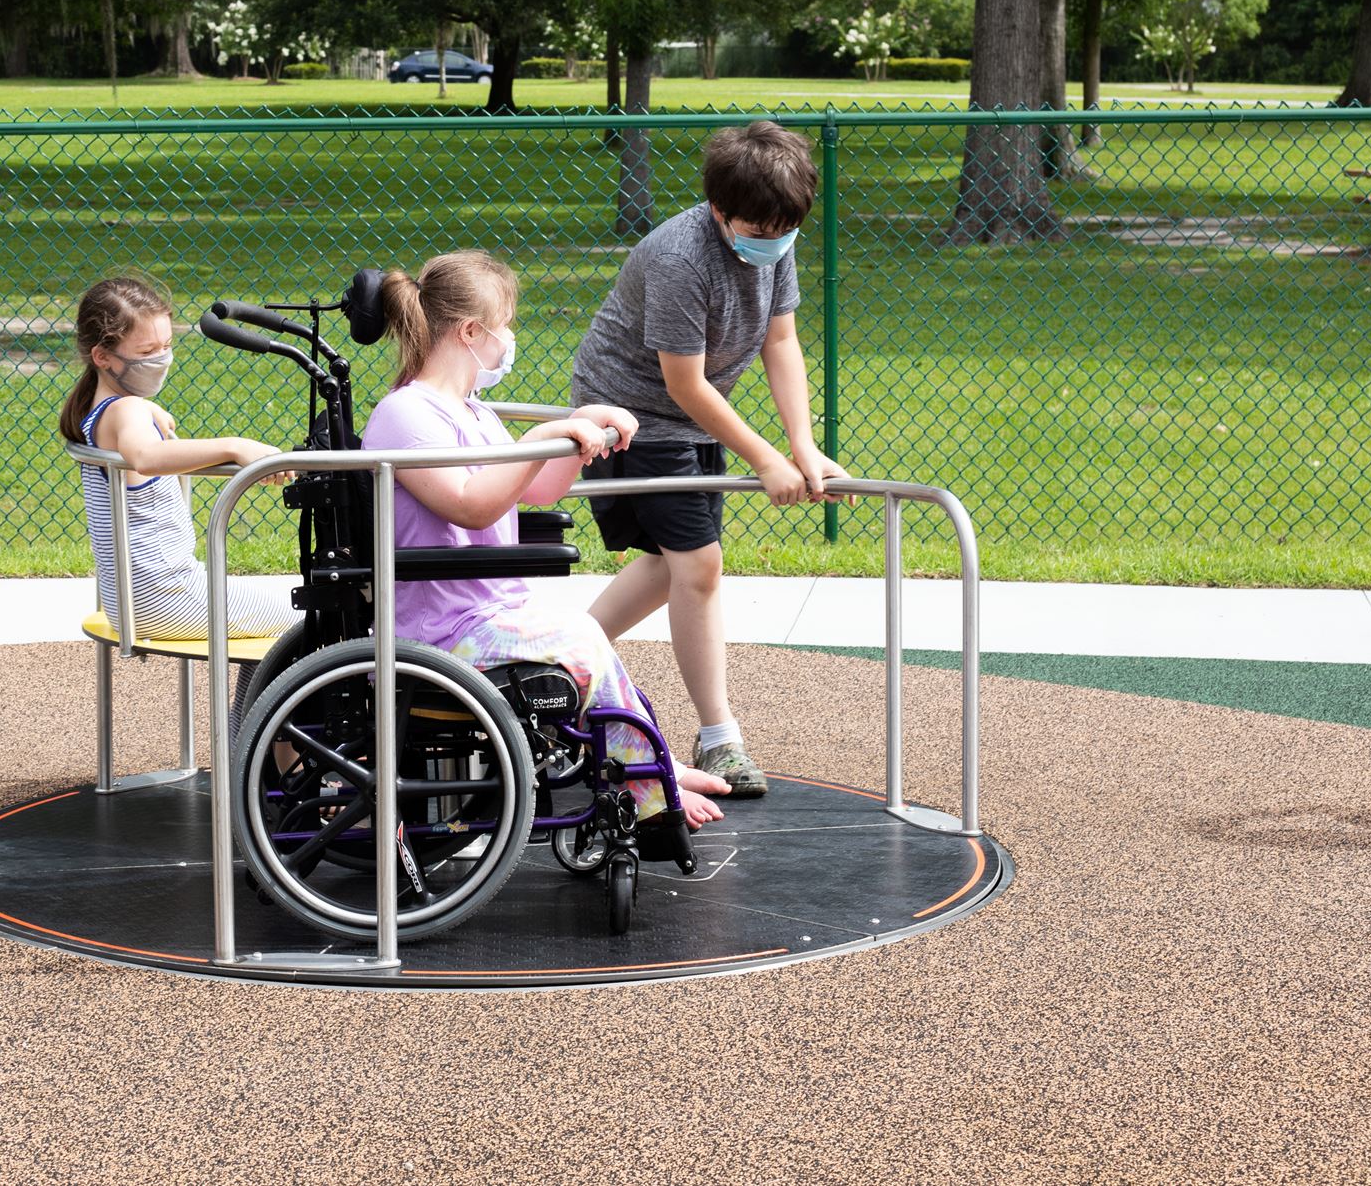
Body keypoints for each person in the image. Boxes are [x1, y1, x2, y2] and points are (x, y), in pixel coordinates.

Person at [361, 250, 728, 830]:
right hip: (437, 630)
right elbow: (473, 505)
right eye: (504, 324)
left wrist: (585, 428)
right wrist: (547, 432)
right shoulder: (406, 415)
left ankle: (649, 766)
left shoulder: (473, 412)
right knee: (581, 637)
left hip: (486, 615)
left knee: (582, 640)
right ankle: (650, 788)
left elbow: (539, 490)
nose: (509, 339)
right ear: (472, 331)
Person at [569, 121, 850, 798]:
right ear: (720, 211)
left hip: (688, 416)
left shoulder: (772, 242)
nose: (773, 238)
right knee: (699, 563)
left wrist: (802, 445)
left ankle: (560, 659)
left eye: (784, 227)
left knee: (673, 565)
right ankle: (721, 736)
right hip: (628, 414)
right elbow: (683, 383)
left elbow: (781, 342)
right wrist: (762, 457)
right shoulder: (679, 257)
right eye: (757, 226)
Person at [60, 276, 297, 642]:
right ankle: (259, 703)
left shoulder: (101, 407)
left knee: (273, 627)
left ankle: (248, 704)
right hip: (165, 595)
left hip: (129, 597)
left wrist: (143, 407)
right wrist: (235, 446)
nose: (160, 359)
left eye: (166, 346)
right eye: (145, 353)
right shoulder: (127, 411)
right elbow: (146, 457)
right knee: (305, 623)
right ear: (102, 356)